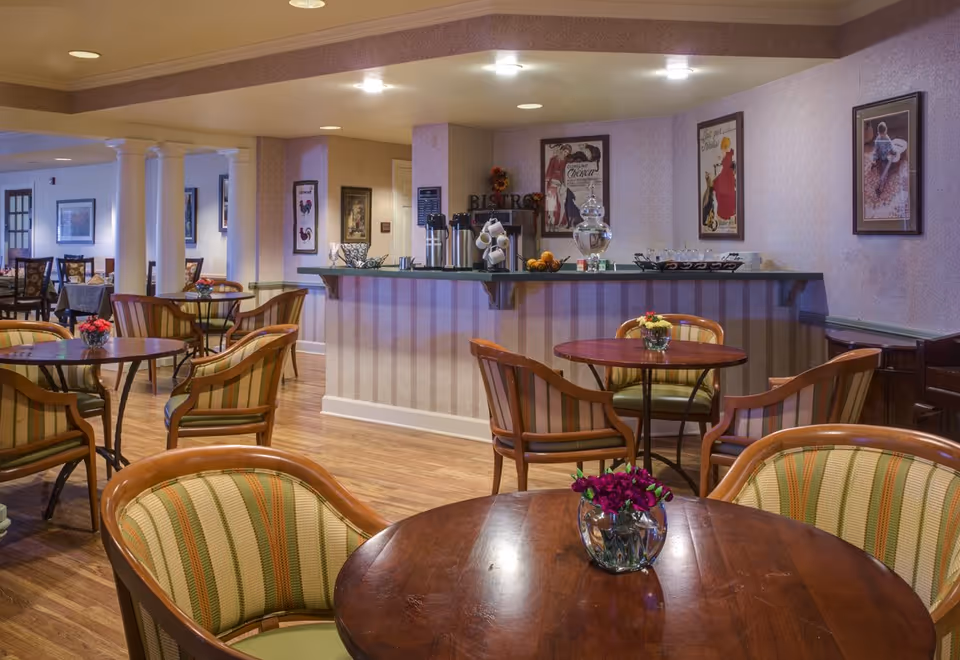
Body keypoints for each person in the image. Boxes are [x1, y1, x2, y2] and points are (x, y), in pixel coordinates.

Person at [544, 144, 572, 229]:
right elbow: (549, 171)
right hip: (552, 183)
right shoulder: (553, 159)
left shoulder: (567, 161)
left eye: (567, 153)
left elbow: (566, 173)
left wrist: (565, 184)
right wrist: (546, 185)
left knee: (561, 203)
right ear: (561, 150)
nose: (565, 154)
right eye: (564, 151)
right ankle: (551, 221)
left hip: (561, 183)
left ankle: (559, 222)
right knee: (551, 203)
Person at [712, 136, 737, 223]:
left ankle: (725, 214)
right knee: (718, 186)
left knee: (719, 187)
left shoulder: (728, 156)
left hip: (727, 176)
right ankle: (725, 213)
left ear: (725, 147)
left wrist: (717, 180)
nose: (722, 150)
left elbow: (725, 170)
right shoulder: (728, 155)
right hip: (727, 176)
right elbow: (725, 168)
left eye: (723, 148)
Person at [872, 121, 896, 196]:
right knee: (882, 170)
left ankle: (880, 185)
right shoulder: (880, 139)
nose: (881, 135)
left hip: (884, 157)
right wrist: (874, 158)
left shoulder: (885, 139)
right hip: (882, 156)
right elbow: (876, 149)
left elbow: (891, 148)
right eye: (880, 134)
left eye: (882, 134)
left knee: (884, 170)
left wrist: (892, 152)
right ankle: (880, 185)